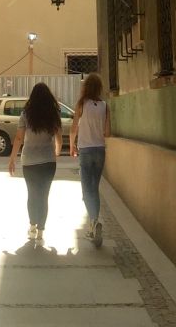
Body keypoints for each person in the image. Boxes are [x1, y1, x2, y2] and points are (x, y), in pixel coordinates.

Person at [8, 82, 62, 247]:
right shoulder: (54, 113)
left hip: (29, 160)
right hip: (48, 160)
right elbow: (59, 137)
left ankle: (32, 226)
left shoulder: (26, 114)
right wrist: (57, 152)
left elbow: (18, 138)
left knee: (32, 195)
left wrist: (12, 159)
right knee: (44, 196)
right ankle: (41, 231)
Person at [70, 72, 110, 247]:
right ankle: (94, 224)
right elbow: (107, 132)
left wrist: (72, 145)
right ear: (100, 88)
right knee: (94, 188)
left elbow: (73, 128)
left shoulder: (81, 104)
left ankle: (94, 221)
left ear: (85, 87)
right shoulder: (105, 106)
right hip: (100, 150)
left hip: (85, 150)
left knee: (87, 190)